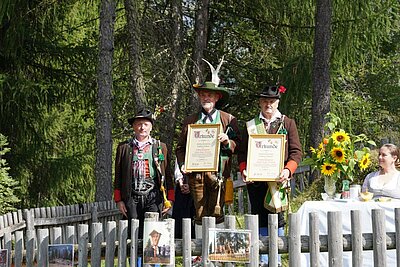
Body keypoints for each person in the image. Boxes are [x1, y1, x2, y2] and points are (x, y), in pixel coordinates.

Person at [175, 58, 241, 238]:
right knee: (199, 212)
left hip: (219, 174)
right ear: (199, 97)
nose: (206, 98)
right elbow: (180, 148)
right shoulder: (190, 121)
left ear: (217, 97)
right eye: (203, 94)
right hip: (196, 174)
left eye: (210, 95)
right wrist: (182, 165)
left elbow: (240, 146)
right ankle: (199, 256)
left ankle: (216, 253)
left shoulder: (228, 119)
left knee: (218, 213)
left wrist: (228, 141)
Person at [237, 84, 302, 266]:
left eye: (272, 101)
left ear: (277, 102)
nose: (268, 104)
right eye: (265, 101)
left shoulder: (288, 123)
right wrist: (243, 169)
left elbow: (296, 152)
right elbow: (242, 153)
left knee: (278, 220)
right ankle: (261, 260)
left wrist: (288, 170)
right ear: (260, 102)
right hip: (256, 182)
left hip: (278, 182)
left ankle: (277, 260)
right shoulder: (251, 125)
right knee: (258, 218)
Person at [114, 108, 174, 237]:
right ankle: (136, 257)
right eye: (139, 124)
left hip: (154, 196)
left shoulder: (160, 147)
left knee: (153, 231)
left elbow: (167, 175)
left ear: (151, 127)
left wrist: (170, 199)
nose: (142, 128)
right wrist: (119, 200)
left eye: (145, 124)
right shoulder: (124, 148)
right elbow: (118, 176)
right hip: (131, 197)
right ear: (134, 126)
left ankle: (151, 257)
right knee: (134, 232)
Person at [171, 159, 196, 239]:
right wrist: (181, 182)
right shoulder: (181, 149)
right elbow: (178, 165)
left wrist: (191, 185)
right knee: (179, 220)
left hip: (197, 187)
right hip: (181, 188)